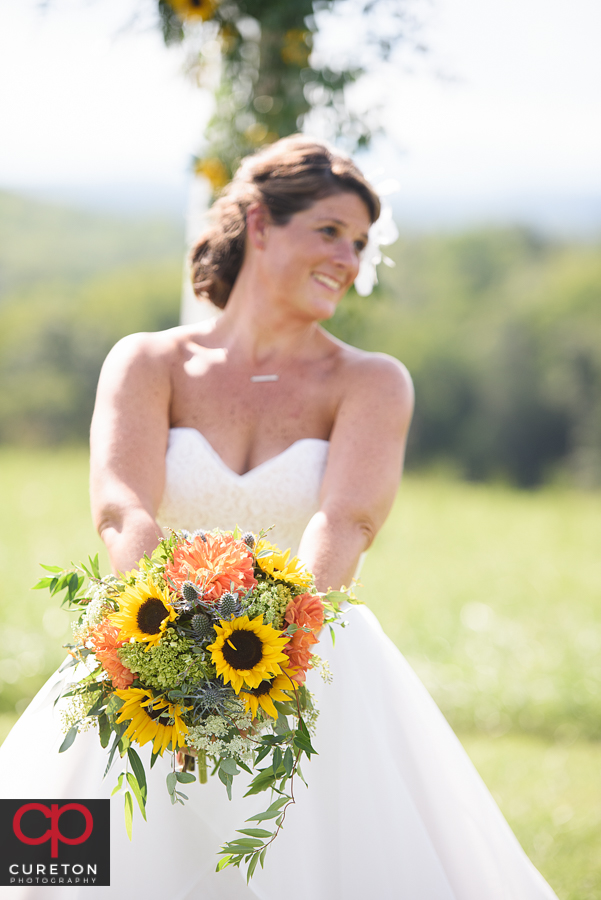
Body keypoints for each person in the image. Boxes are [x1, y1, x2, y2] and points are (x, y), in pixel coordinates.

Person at [0, 136, 559, 899]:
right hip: (148, 639)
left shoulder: (371, 381)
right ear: (260, 223)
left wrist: (279, 644)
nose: (348, 259)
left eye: (359, 243)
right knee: (63, 864)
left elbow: (347, 520)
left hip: (311, 652)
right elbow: (120, 504)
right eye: (329, 231)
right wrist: (162, 634)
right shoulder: (147, 361)